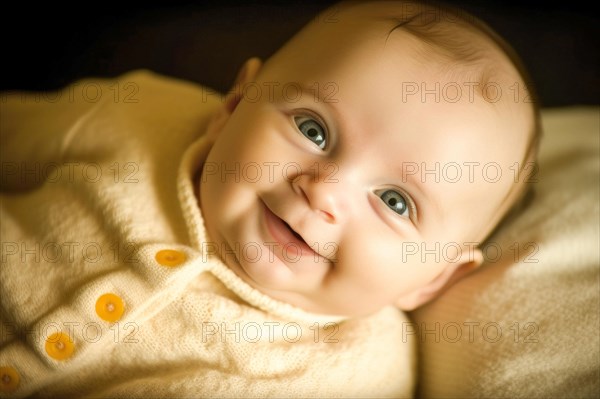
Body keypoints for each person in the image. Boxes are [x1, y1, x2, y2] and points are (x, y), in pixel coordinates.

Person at [0, 1, 539, 397]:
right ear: (234, 105)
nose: (325, 190)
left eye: (395, 202)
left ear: (432, 277)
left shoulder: (351, 378)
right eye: (314, 129)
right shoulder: (134, 118)